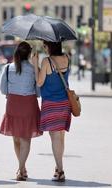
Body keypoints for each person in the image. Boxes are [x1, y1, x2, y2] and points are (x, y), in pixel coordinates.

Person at [0, 41, 42, 181]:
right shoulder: (33, 68)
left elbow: (3, 90)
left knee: (16, 138)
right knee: (25, 138)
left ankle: (21, 168)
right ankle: (21, 168)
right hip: (29, 103)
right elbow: (38, 92)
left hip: (13, 103)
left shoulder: (7, 68)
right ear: (29, 54)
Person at [32, 41, 72, 182]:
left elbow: (39, 82)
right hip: (65, 103)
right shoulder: (67, 58)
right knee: (60, 136)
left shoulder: (46, 61)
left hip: (51, 104)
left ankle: (60, 170)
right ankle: (58, 166)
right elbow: (54, 76)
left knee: (55, 137)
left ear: (49, 47)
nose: (44, 48)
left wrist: (35, 65)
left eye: (45, 46)